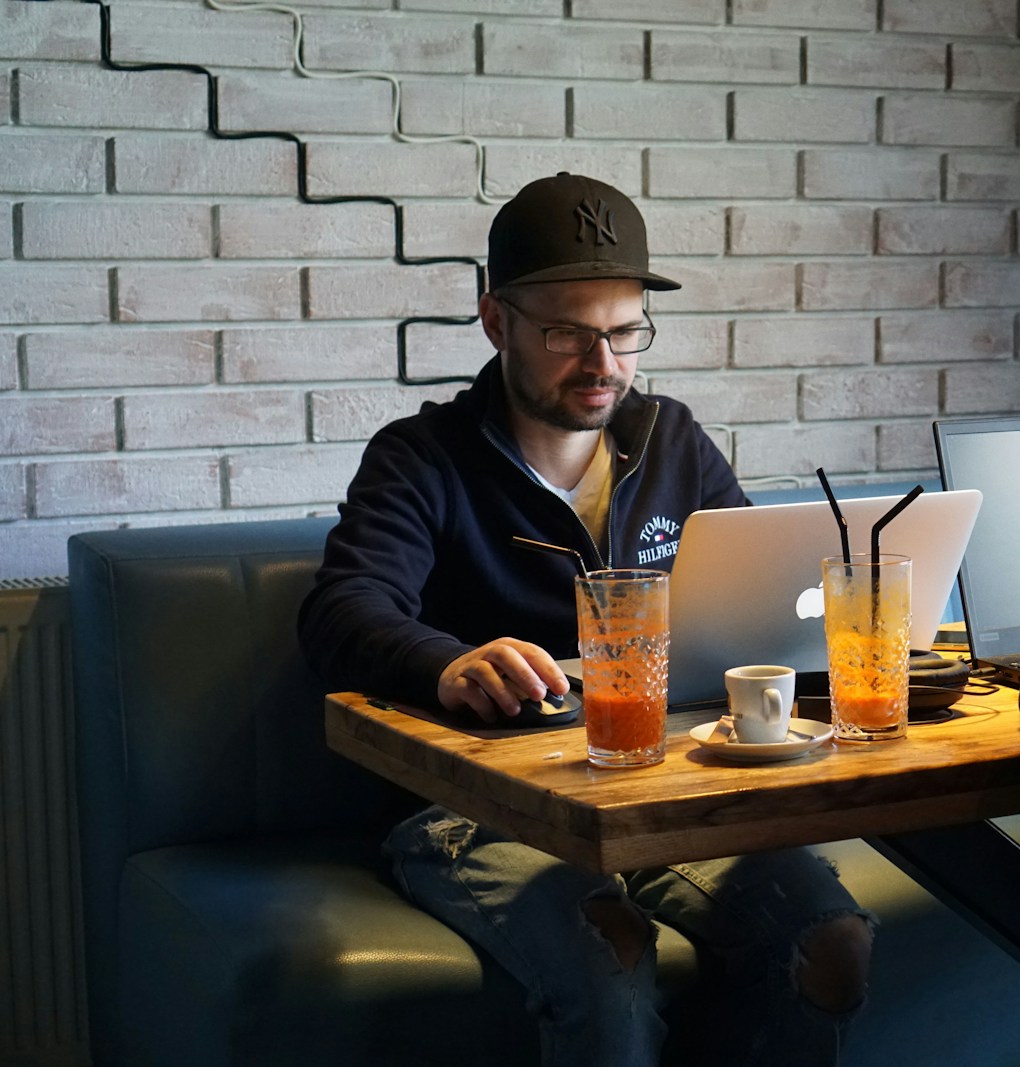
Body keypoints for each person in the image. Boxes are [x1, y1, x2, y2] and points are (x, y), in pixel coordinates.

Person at [299, 172, 872, 1066]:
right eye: (569, 331)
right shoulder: (423, 459)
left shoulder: (673, 440)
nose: (603, 362)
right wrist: (448, 662)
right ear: (498, 322)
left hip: (660, 797)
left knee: (826, 941)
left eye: (625, 331)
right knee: (615, 944)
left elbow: (763, 592)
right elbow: (342, 609)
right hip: (475, 810)